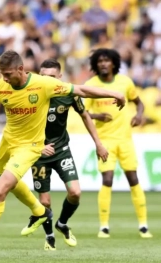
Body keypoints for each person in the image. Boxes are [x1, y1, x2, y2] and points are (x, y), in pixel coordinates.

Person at [0, 50, 126, 263]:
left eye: (8, 74)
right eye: (2, 74)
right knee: (5, 178)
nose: (4, 79)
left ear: (21, 69)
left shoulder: (44, 84)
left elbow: (81, 90)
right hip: (7, 142)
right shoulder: (1, 87)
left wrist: (115, 94)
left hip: (30, 147)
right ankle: (40, 211)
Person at [25, 58, 109, 251]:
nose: (47, 81)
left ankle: (62, 223)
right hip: (39, 154)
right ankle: (50, 237)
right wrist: (35, 147)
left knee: (75, 193)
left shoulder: (68, 93)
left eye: (52, 77)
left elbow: (85, 115)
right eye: (44, 77)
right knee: (44, 201)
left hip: (62, 151)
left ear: (60, 77)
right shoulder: (31, 95)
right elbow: (20, 126)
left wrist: (98, 143)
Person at [84, 48, 153, 239]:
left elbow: (139, 102)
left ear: (114, 63)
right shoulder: (91, 85)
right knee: (107, 179)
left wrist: (139, 115)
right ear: (96, 64)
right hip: (105, 140)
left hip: (125, 140)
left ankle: (143, 225)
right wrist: (97, 115)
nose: (103, 64)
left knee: (134, 178)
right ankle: (104, 226)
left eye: (107, 60)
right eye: (100, 61)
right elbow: (82, 112)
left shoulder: (125, 82)